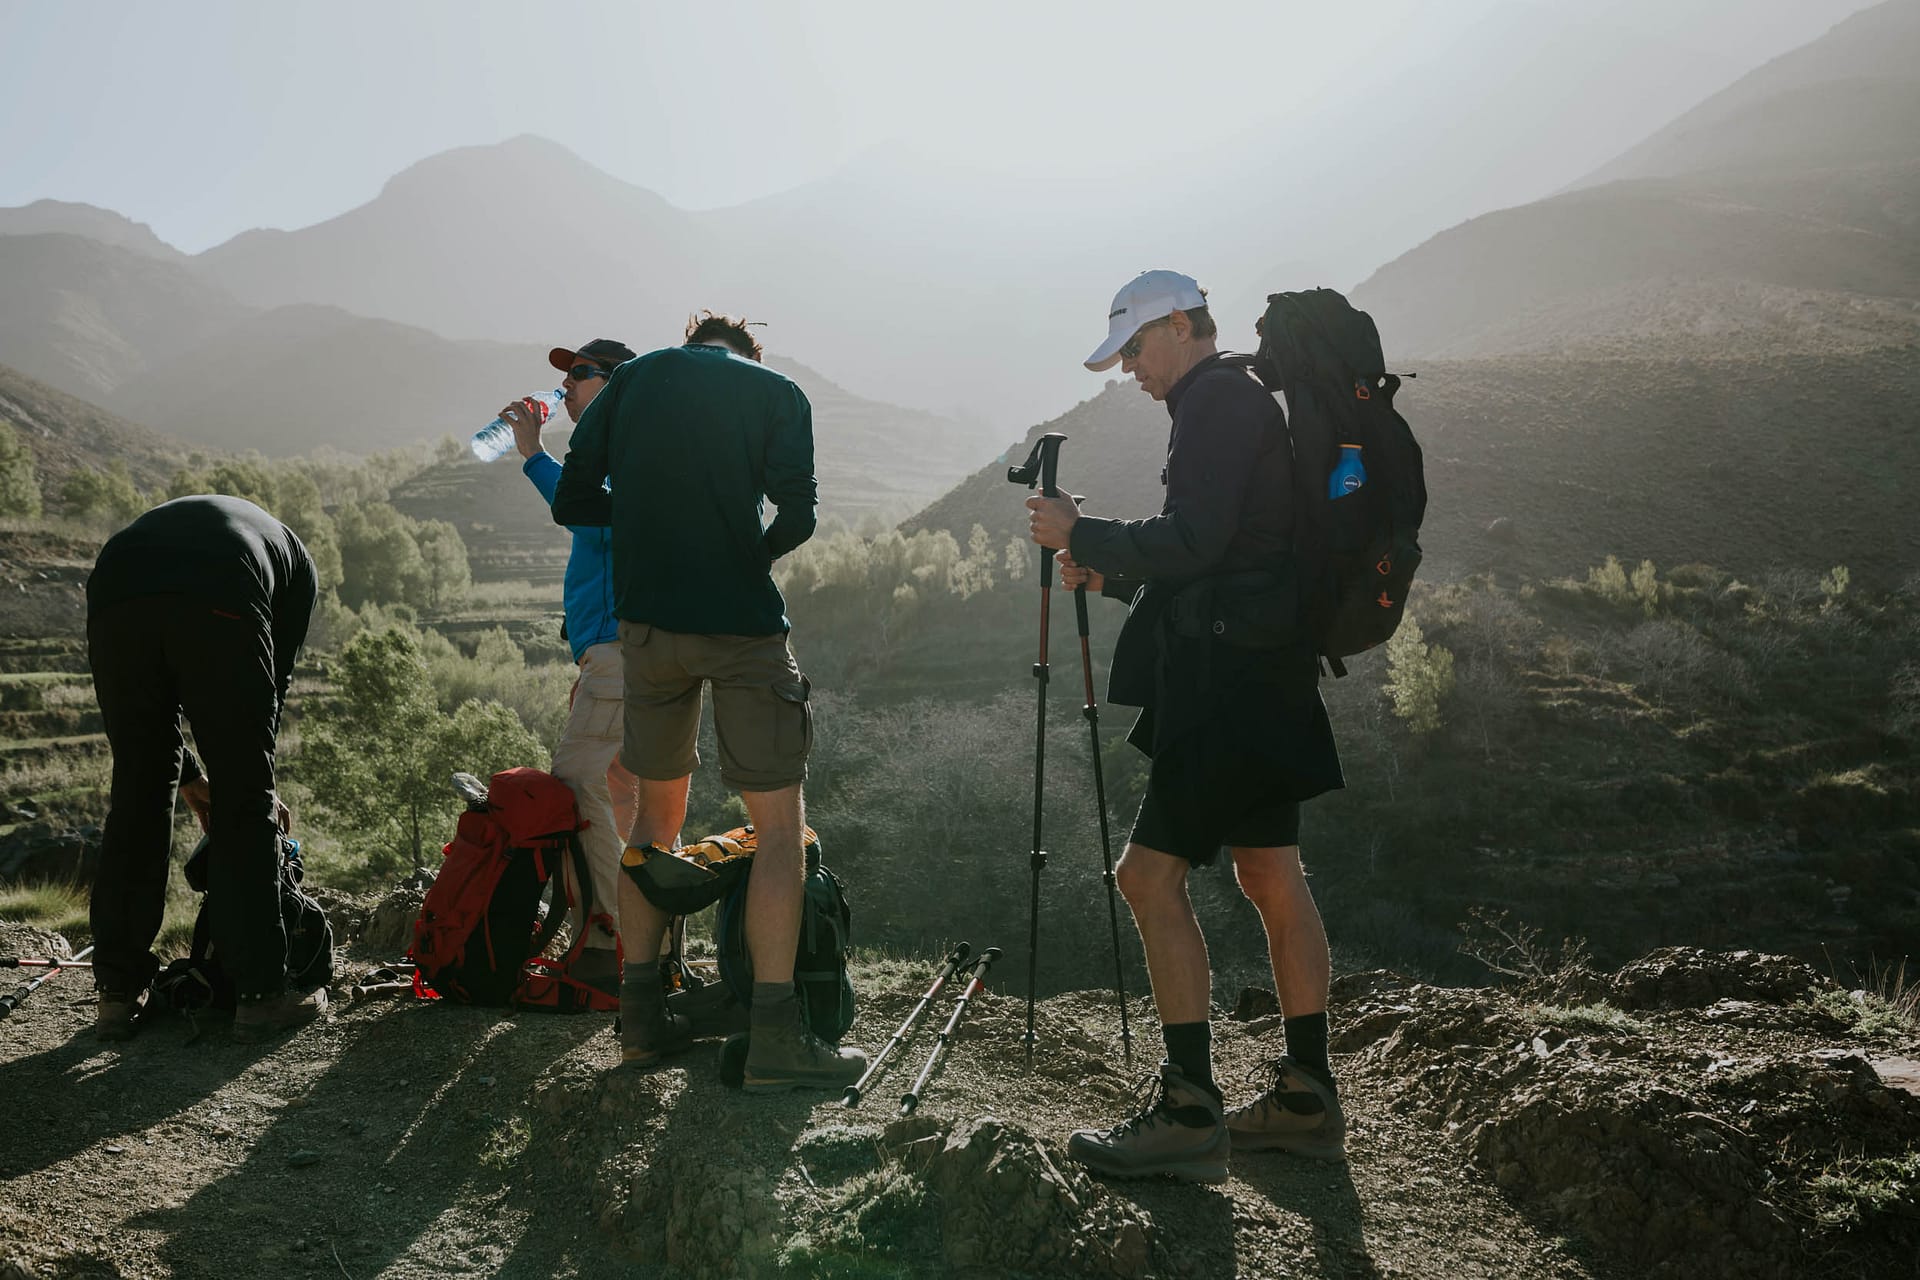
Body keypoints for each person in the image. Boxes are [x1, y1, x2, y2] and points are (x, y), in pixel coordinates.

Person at [1026, 270, 1348, 1180]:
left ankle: (1188, 1109)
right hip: (1267, 677)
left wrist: (1082, 537)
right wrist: (1118, 574)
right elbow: (1231, 551)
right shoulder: (1238, 400)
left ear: (1178, 326)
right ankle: (1306, 1097)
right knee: (1272, 873)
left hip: (1223, 689)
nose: (1128, 368)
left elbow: (1197, 539)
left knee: (1145, 879)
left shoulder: (1214, 403)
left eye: (1134, 347)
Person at [551, 311, 866, 1090]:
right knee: (780, 831)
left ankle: (641, 1020)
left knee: (654, 822)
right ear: (748, 353)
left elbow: (574, 501)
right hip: (742, 629)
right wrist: (737, 553)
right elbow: (799, 516)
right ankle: (774, 1038)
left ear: (692, 343)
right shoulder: (777, 392)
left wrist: (652, 533)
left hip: (649, 629)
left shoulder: (631, 381)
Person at [85, 494, 323, 1043]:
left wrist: (190, 778)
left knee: (139, 786)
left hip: (115, 583)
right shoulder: (298, 571)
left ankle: (116, 996)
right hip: (221, 583)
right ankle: (262, 995)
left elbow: (160, 713)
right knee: (244, 793)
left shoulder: (219, 530)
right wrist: (252, 785)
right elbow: (267, 697)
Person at [496, 336, 639, 992]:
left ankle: (610, 945)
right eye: (569, 374)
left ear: (615, 383)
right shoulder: (626, 450)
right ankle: (636, 947)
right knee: (620, 795)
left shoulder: (621, 456)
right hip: (616, 656)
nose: (568, 384)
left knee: (576, 787)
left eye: (582, 374)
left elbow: (592, 519)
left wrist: (532, 455)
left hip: (617, 652)